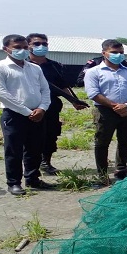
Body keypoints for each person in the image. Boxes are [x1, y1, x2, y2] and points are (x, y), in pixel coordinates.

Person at [0, 34, 53, 196]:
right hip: (14, 115)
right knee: (13, 150)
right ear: (6, 49)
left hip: (38, 113)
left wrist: (42, 108)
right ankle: (14, 183)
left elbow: (45, 90)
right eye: (17, 48)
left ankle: (32, 179)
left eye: (25, 47)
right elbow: (0, 94)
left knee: (35, 148)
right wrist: (27, 111)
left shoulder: (35, 68)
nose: (22, 50)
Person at [26, 33, 88, 175]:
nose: (41, 46)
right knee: (31, 137)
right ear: (28, 46)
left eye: (44, 44)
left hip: (51, 106)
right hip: (30, 106)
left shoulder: (54, 66)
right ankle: (31, 167)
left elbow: (62, 86)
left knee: (51, 134)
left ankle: (46, 162)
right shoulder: (23, 65)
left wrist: (74, 101)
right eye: (36, 44)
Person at [84, 39, 127, 181]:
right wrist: (114, 106)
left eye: (121, 53)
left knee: (125, 141)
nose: (118, 55)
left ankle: (121, 169)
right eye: (114, 52)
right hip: (104, 111)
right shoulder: (94, 72)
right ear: (104, 53)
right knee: (102, 142)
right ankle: (102, 174)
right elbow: (94, 94)